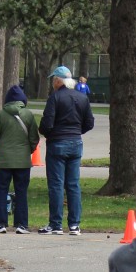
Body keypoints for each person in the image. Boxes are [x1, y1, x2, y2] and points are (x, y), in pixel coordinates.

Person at [37, 64, 95, 234]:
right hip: (75, 142)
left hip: (57, 143)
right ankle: (74, 224)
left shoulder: (55, 98)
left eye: (53, 80)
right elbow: (89, 122)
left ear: (57, 81)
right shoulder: (82, 98)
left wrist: (48, 133)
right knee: (73, 184)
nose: (52, 84)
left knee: (56, 185)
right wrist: (77, 131)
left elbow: (47, 123)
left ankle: (56, 224)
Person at [0, 85, 39, 233]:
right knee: (21, 192)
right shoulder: (28, 115)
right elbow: (34, 138)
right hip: (23, 160)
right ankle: (21, 224)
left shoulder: (0, 115)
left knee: (1, 191)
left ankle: (0, 223)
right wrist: (28, 151)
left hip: (3, 160)